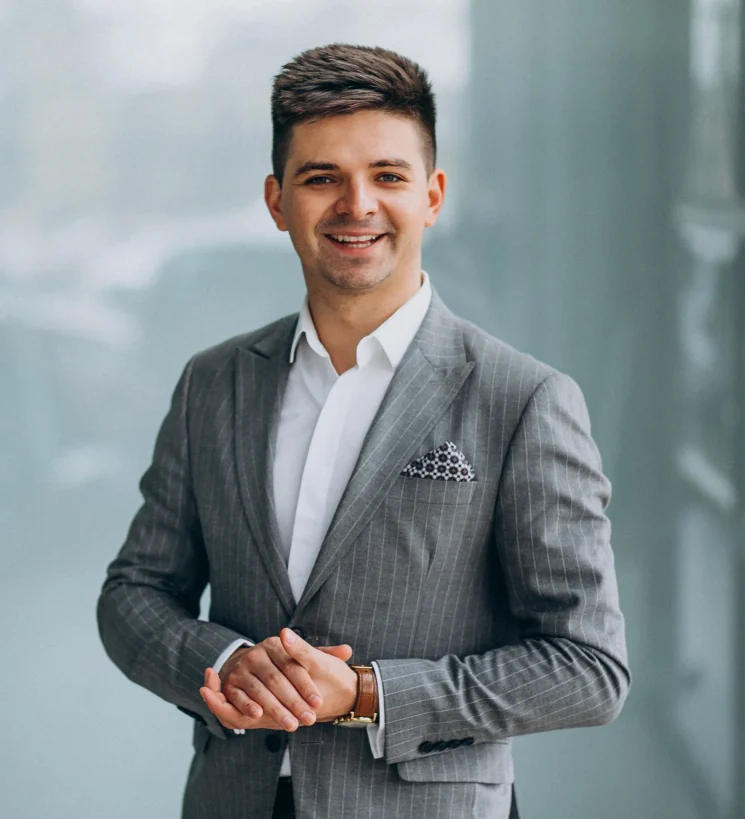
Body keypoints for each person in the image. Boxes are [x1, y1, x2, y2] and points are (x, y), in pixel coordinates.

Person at [97, 43, 630, 819]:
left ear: (432, 196)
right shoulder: (211, 384)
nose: (357, 204)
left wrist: (367, 694)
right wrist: (227, 661)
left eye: (388, 176)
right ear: (277, 201)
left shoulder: (523, 399)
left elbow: (589, 665)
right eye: (322, 178)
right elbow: (134, 593)